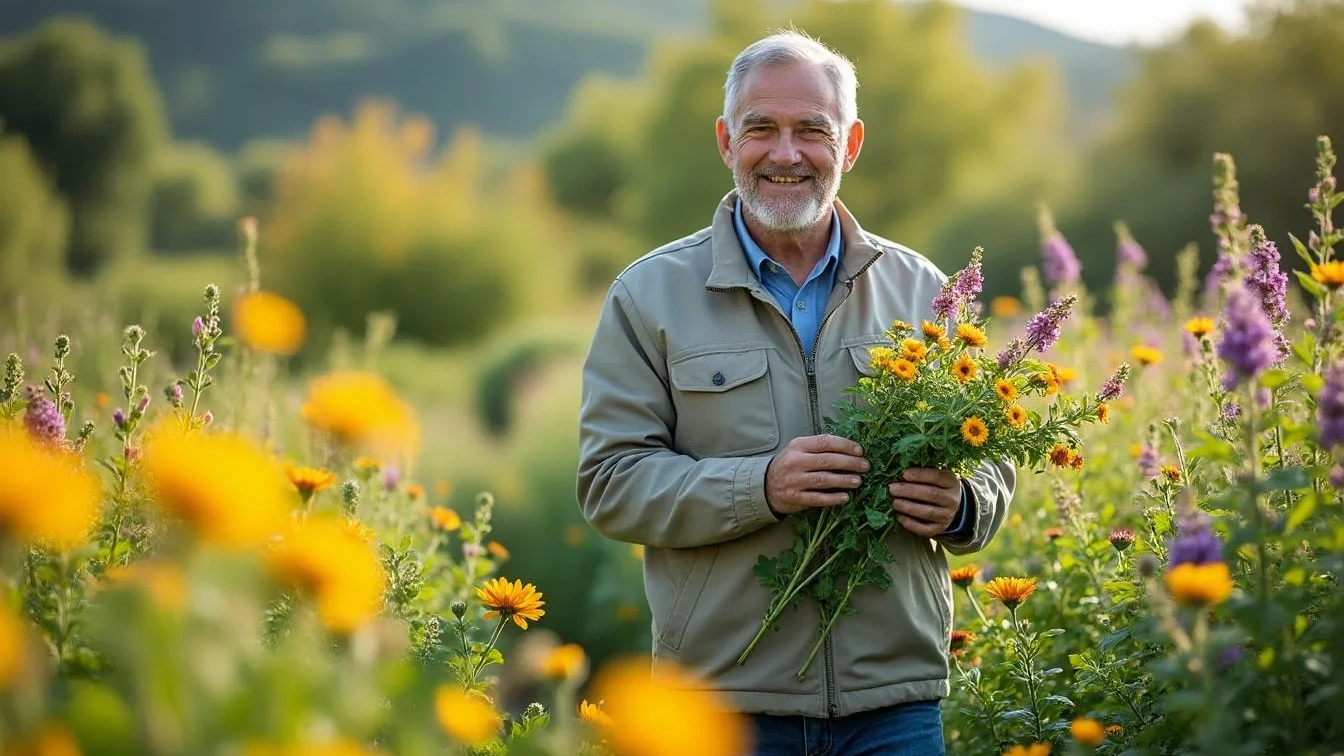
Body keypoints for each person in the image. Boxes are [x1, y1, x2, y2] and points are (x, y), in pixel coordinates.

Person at [575, 29, 1015, 756]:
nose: (786, 154)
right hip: (720, 707)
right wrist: (762, 486)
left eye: (813, 129)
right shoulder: (648, 295)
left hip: (894, 707)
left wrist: (964, 504)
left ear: (851, 144)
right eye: (761, 129)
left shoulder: (926, 293)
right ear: (727, 141)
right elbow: (611, 482)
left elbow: (992, 457)